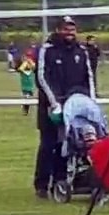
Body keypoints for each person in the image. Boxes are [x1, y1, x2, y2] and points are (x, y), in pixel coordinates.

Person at [35, 16, 96, 198]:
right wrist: (54, 103)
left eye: (72, 29)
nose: (69, 32)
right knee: (49, 145)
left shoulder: (81, 51)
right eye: (65, 29)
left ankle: (64, 180)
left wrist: (91, 102)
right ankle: (42, 184)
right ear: (58, 30)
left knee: (71, 144)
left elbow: (89, 78)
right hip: (52, 108)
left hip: (76, 107)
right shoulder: (47, 50)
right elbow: (42, 78)